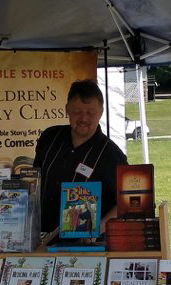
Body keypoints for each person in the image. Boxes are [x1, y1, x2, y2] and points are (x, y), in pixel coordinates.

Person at [33, 78, 126, 234]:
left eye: (90, 113)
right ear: (67, 110)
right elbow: (33, 182)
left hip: (85, 247)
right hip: (41, 240)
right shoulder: (49, 137)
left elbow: (126, 201)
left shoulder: (111, 155)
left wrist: (100, 226)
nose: (84, 118)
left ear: (101, 112)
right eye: (77, 112)